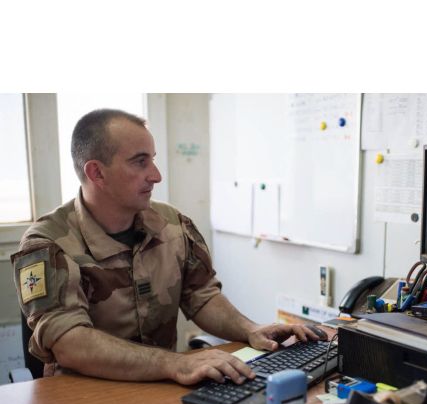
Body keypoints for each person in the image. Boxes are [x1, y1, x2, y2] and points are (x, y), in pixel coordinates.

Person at [11, 108, 320, 386]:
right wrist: (176, 363)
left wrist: (249, 329)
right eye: (140, 162)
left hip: (162, 389)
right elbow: (69, 342)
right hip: (86, 400)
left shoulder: (172, 223)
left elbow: (201, 296)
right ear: (97, 173)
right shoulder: (47, 244)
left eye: (153, 160)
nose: (156, 175)